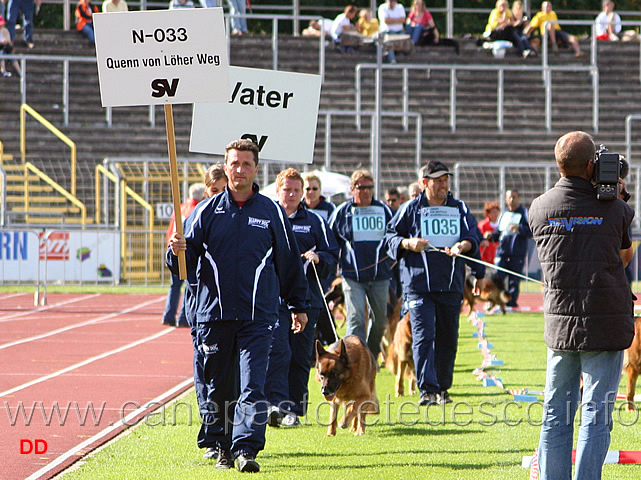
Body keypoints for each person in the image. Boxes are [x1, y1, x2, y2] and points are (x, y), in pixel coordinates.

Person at [167, 139, 309, 473]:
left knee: (252, 384)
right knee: (218, 386)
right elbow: (183, 267)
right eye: (234, 163)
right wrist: (176, 251)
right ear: (226, 166)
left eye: (246, 164)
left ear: (256, 169)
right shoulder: (207, 211)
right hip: (214, 315)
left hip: (258, 316)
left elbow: (289, 262)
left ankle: (246, 449)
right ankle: (220, 445)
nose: (240, 170)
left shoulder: (270, 211)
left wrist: (298, 305)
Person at [529, 131, 634, 480]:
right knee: (596, 413)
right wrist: (616, 196)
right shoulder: (616, 209)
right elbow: (622, 258)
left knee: (556, 412)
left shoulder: (539, 207)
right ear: (593, 166)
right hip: (603, 325)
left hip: (560, 325)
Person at [385, 160, 481, 406]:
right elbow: (389, 238)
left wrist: (463, 246)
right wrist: (408, 243)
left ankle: (443, 388)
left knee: (448, 337)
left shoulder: (459, 208)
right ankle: (427, 390)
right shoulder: (409, 209)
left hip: (450, 284)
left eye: (446, 179)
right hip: (418, 285)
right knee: (423, 336)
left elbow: (473, 236)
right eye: (438, 180)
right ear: (424, 183)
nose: (443, 184)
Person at [266, 168, 339, 428]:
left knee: (299, 356)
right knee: (276, 352)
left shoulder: (316, 221)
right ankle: (274, 405)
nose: (293, 194)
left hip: (308, 300)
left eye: (297, 190)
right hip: (271, 300)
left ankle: (293, 410)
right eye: (287, 189)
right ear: (278, 190)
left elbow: (333, 253)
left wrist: (320, 258)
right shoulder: (265, 216)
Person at [329, 169, 394, 363]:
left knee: (381, 321)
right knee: (356, 319)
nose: (366, 191)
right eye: (361, 187)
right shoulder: (341, 213)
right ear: (352, 189)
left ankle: (371, 357)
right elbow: (331, 242)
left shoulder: (384, 210)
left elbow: (396, 237)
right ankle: (354, 360)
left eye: (369, 187)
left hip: (380, 276)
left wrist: (391, 263)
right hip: (352, 276)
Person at [162, 183, 206, 328]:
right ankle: (183, 317)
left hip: (174, 249)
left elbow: (170, 229)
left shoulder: (180, 207)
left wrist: (170, 246)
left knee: (174, 286)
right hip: (187, 251)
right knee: (189, 285)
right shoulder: (197, 210)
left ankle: (169, 315)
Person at [489, 189, 532, 309]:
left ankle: (511, 304)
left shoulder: (524, 213)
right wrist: (490, 236)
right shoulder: (503, 214)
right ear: (506, 199)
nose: (512, 199)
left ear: (518, 198)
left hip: (517, 253)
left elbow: (530, 231)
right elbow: (498, 233)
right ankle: (498, 301)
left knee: (514, 279)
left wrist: (519, 228)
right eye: (510, 197)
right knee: (498, 276)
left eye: (514, 197)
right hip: (502, 252)